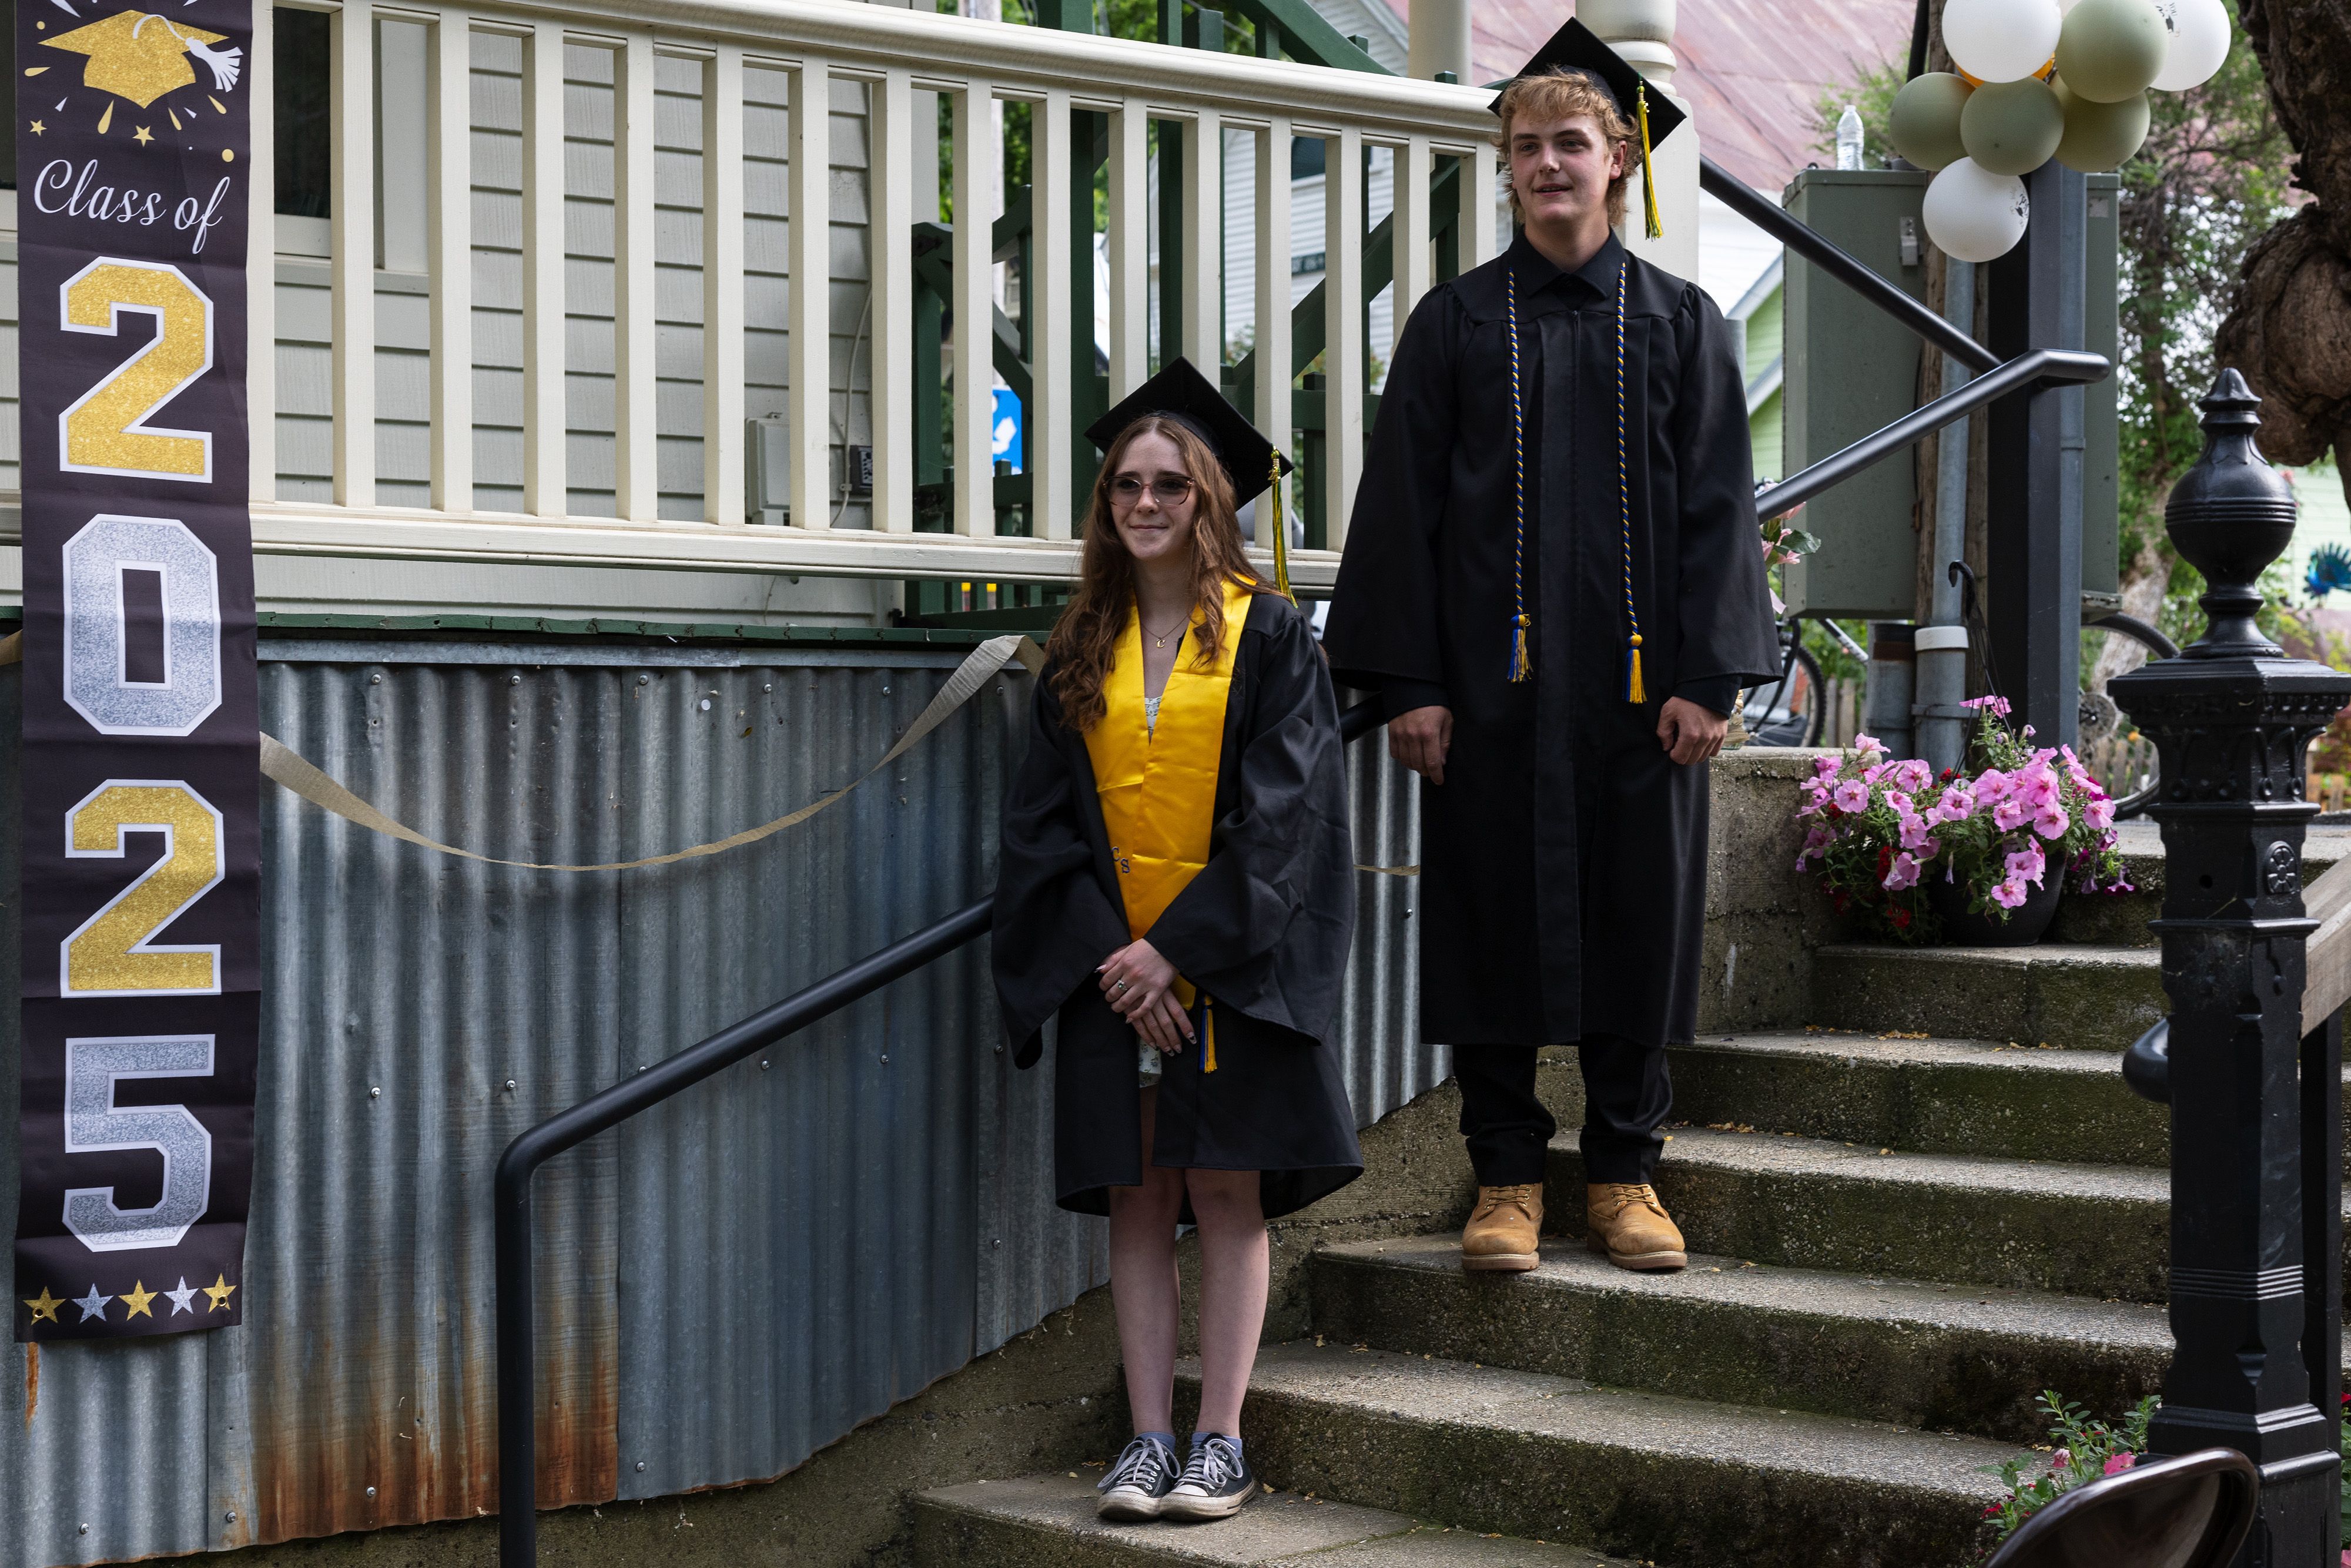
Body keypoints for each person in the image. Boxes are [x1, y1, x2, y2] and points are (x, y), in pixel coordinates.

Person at [1321, 20, 1779, 1278]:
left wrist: (1708, 673)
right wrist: (1408, 683)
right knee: (1486, 924)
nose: (1544, 165)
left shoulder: (1683, 324)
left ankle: (1624, 1172)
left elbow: (1716, 510)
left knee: (1637, 919)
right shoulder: (1454, 325)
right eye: (1522, 147)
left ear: (1619, 157)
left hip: (1638, 701)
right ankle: (1506, 1178)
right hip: (1488, 694)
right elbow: (1400, 508)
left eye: (1568, 142)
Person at [992, 357, 1361, 1525]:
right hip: (1114, 976)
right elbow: (1039, 829)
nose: (1144, 504)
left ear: (1210, 500)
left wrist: (1183, 953)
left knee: (1226, 1191)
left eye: (1169, 486)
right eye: (1124, 487)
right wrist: (1117, 957)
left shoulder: (1270, 638)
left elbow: (1287, 817)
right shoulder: (1075, 649)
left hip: (1230, 969)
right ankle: (1145, 1437)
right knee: (1141, 1197)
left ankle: (1219, 1438)